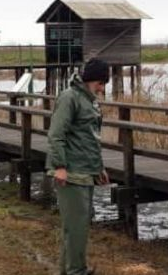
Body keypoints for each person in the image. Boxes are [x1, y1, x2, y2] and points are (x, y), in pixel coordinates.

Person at [46, 58, 110, 275]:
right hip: (72, 172)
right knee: (76, 228)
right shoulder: (69, 98)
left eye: (104, 84)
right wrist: (60, 166)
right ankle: (77, 271)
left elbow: (91, 138)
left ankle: (68, 270)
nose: (102, 89)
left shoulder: (89, 100)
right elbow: (56, 134)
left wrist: (99, 168)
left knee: (76, 227)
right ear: (90, 79)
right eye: (100, 83)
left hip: (86, 170)